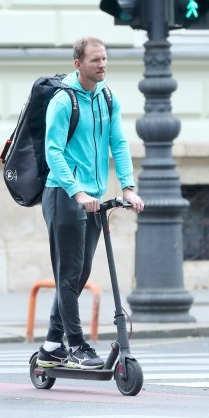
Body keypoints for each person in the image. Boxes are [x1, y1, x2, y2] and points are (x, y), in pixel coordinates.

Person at [37, 36, 144, 370]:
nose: (102, 65)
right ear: (78, 64)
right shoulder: (64, 100)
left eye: (105, 59)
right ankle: (77, 346)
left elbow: (118, 141)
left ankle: (52, 345)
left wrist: (128, 186)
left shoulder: (107, 97)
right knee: (69, 273)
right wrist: (77, 192)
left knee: (79, 275)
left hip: (94, 199)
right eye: (96, 60)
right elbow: (52, 150)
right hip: (64, 195)